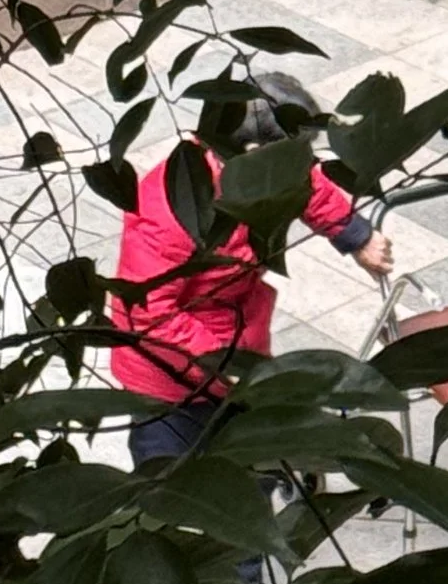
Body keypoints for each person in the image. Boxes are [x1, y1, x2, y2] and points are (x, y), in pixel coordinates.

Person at [109, 72, 394, 471]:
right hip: (167, 380)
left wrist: (354, 233)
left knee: (255, 466)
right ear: (254, 154)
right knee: (173, 482)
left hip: (238, 341)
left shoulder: (254, 166)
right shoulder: (170, 210)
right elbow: (149, 313)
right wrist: (224, 368)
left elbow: (305, 181)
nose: (299, 169)